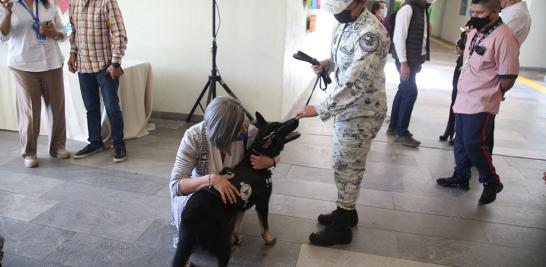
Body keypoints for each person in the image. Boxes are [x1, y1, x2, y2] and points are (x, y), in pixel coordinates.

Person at [296, 0, 389, 246]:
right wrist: (328, 63)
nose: (338, 14)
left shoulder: (371, 34)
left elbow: (355, 84)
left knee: (348, 166)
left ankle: (342, 229)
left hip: (362, 112)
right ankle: (347, 212)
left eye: (342, 9)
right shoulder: (347, 23)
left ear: (360, 3)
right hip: (348, 110)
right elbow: (345, 58)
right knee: (343, 162)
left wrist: (318, 108)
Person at [437, 0, 520, 205]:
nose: (474, 15)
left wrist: (493, 93)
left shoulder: (505, 37)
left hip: (482, 100)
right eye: (473, 11)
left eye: (479, 12)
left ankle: (491, 181)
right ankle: (461, 177)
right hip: (464, 95)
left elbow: (508, 76)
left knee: (474, 143)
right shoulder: (476, 30)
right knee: (461, 141)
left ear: (494, 12)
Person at [169, 96, 276, 249]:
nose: (246, 128)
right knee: (199, 238)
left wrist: (271, 162)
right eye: (240, 127)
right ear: (224, 131)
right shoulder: (194, 137)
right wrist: (212, 179)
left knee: (221, 237)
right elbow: (176, 185)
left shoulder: (249, 132)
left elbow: (275, 148)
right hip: (201, 192)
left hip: (228, 194)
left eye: (245, 122)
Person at [1, 0, 70, 168]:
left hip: (51, 61)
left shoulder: (49, 4)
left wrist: (54, 33)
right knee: (30, 111)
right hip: (23, 63)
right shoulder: (8, 5)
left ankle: (58, 147)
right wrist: (8, 13)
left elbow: (65, 31)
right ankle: (30, 152)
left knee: (56, 107)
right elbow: (3, 36)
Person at [69, 0, 129, 162]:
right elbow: (73, 30)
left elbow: (119, 33)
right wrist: (72, 53)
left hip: (105, 67)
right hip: (83, 67)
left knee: (112, 107)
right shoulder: (74, 2)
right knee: (91, 108)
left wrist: (116, 62)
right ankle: (95, 142)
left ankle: (119, 144)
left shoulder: (106, 2)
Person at [387, 0, 433, 147]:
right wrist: (403, 63)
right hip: (406, 61)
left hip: (413, 60)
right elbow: (398, 37)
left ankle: (393, 126)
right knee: (410, 93)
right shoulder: (408, 8)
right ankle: (402, 133)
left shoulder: (422, 9)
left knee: (403, 91)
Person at [439, 21, 471, 145]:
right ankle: (449, 129)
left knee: (462, 102)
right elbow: (460, 45)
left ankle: (458, 133)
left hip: (469, 69)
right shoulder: (468, 29)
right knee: (454, 99)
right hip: (460, 66)